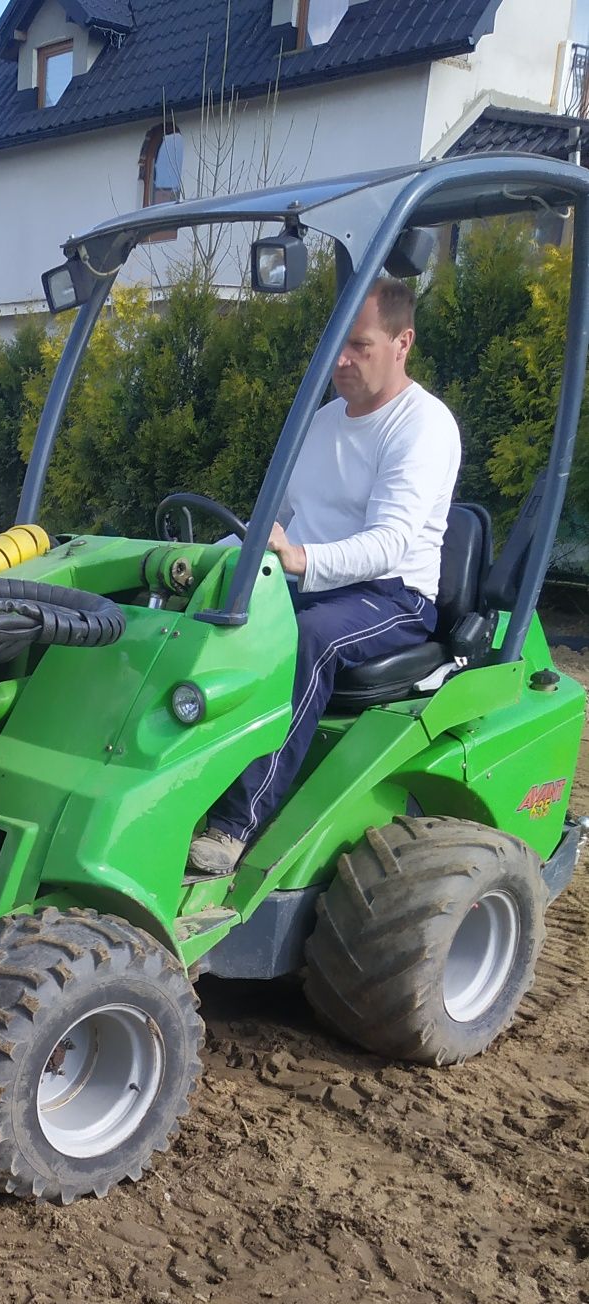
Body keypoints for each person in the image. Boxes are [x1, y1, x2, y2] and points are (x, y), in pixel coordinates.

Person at [187, 277, 461, 876]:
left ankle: (237, 826)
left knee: (307, 639)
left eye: (359, 345)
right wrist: (208, 562)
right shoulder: (322, 421)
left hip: (394, 596)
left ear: (402, 342)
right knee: (204, 618)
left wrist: (301, 560)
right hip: (311, 581)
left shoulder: (423, 426)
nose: (340, 359)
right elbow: (277, 521)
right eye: (337, 342)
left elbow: (390, 545)